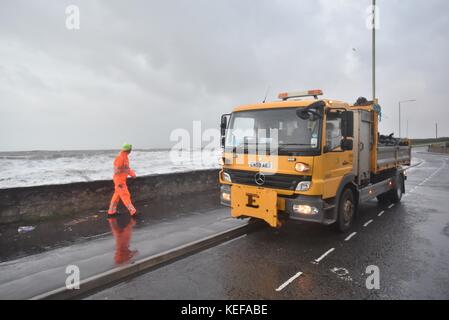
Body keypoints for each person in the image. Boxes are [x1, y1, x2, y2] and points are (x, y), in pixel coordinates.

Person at [108, 143, 137, 216]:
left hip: (121, 180)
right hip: (119, 181)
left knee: (116, 196)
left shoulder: (125, 157)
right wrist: (127, 171)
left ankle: (111, 212)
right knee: (125, 195)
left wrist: (132, 174)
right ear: (129, 150)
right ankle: (133, 212)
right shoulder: (120, 157)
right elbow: (116, 171)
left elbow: (126, 168)